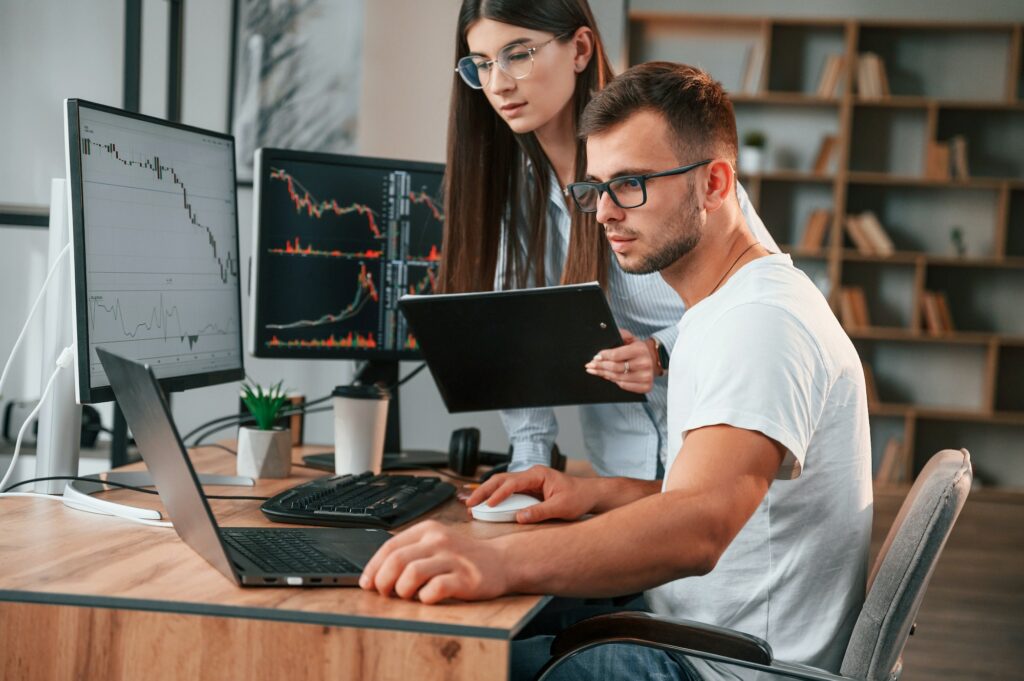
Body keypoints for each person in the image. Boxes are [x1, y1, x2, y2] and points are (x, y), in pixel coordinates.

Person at [362, 62, 873, 681]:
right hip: (695, 633)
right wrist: (596, 492)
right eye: (594, 188)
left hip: (721, 668)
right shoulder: (725, 308)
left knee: (426, 665)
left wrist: (501, 560)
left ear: (714, 184)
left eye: (630, 183)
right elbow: (717, 495)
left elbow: (700, 526)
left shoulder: (761, 323)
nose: (603, 213)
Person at [442, 0, 778, 479]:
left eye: (517, 55)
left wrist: (661, 351)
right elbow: (519, 329)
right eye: (482, 64)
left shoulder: (665, 160)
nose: (497, 84)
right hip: (620, 469)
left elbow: (756, 298)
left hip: (716, 453)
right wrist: (530, 462)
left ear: (580, 49)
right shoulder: (516, 192)